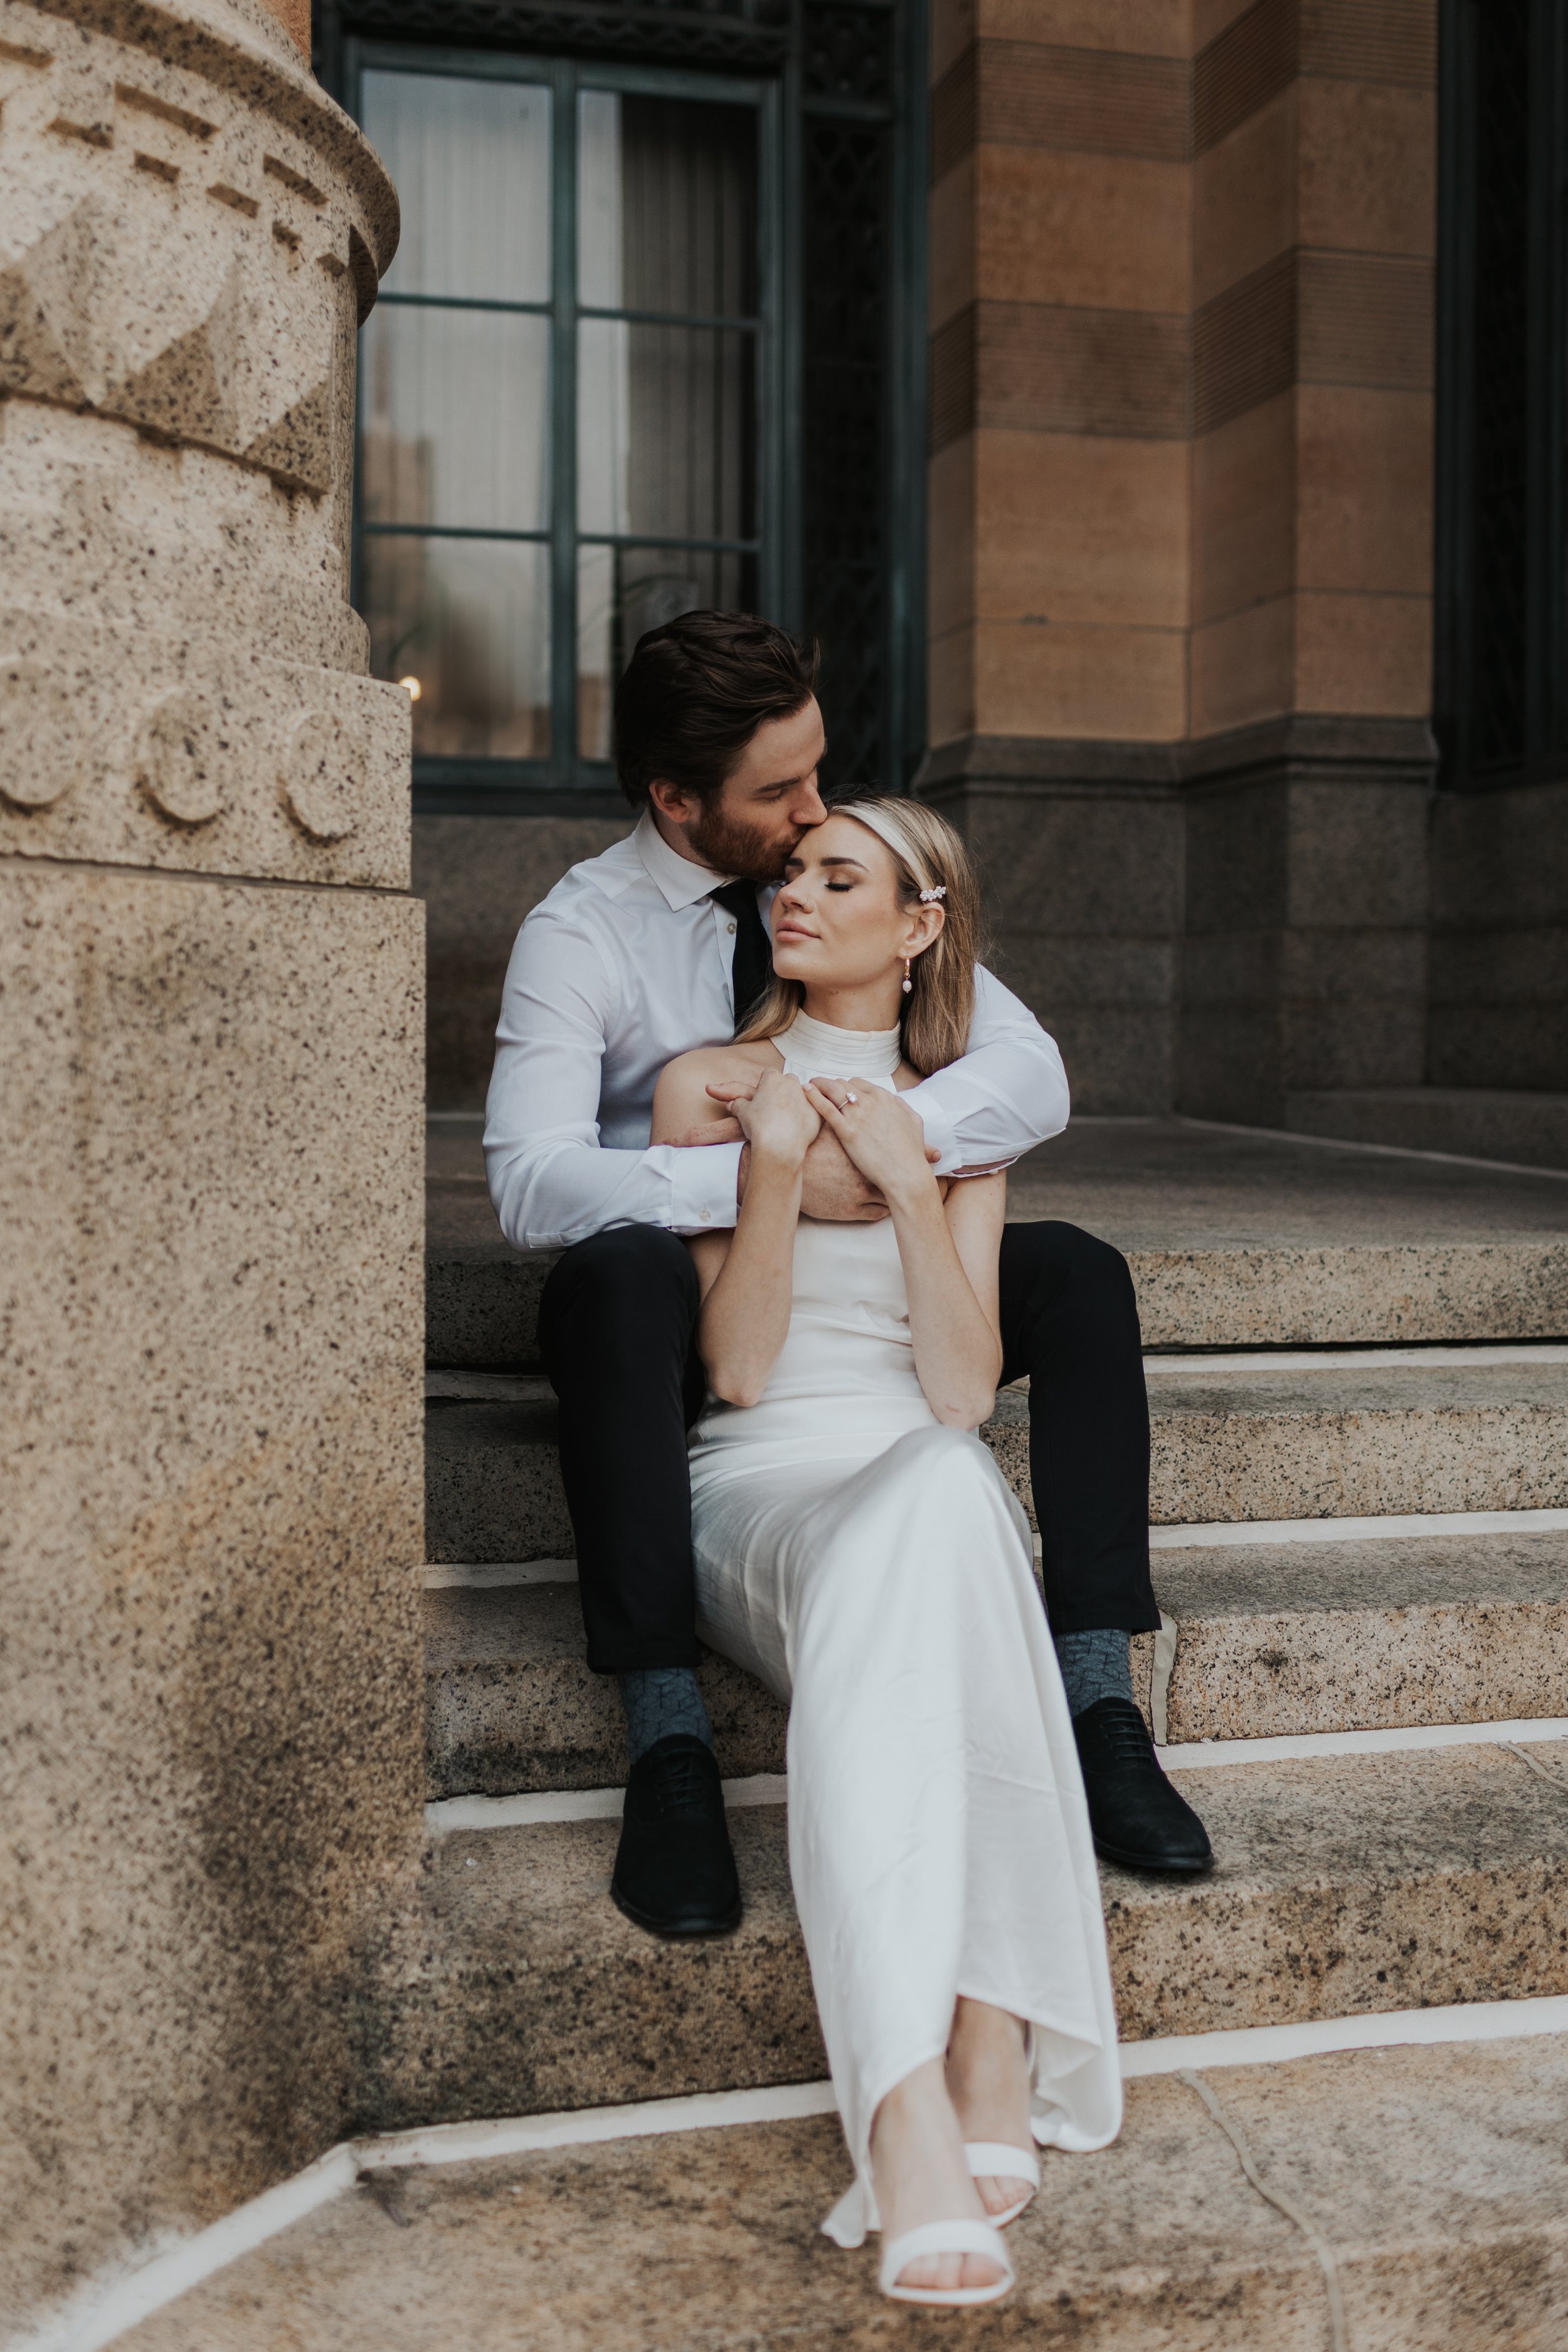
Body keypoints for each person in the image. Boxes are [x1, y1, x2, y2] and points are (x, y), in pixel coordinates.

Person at [484, 612, 1210, 1948]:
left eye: (818, 772)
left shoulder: (850, 886)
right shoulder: (580, 932)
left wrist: (882, 1153)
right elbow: (531, 1183)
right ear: (675, 797)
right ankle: (666, 1739)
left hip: (878, 1245)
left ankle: (1098, 1697)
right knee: (615, 1279)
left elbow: (1027, 1077)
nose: (814, 811)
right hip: (703, 1283)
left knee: (1082, 1276)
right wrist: (760, 1178)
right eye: (779, 795)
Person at [652, 795, 1121, 2304]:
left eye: (834, 875)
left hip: (906, 1472)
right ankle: (921, 2087)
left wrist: (917, 1185)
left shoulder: (961, 1117)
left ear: (917, 926)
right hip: (764, 1490)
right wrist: (773, 1170)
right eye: (789, 871)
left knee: (941, 1476)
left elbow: (963, 1392)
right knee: (945, 1504)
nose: (793, 892)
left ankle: (977, 2032)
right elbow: (732, 1372)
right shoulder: (707, 1090)